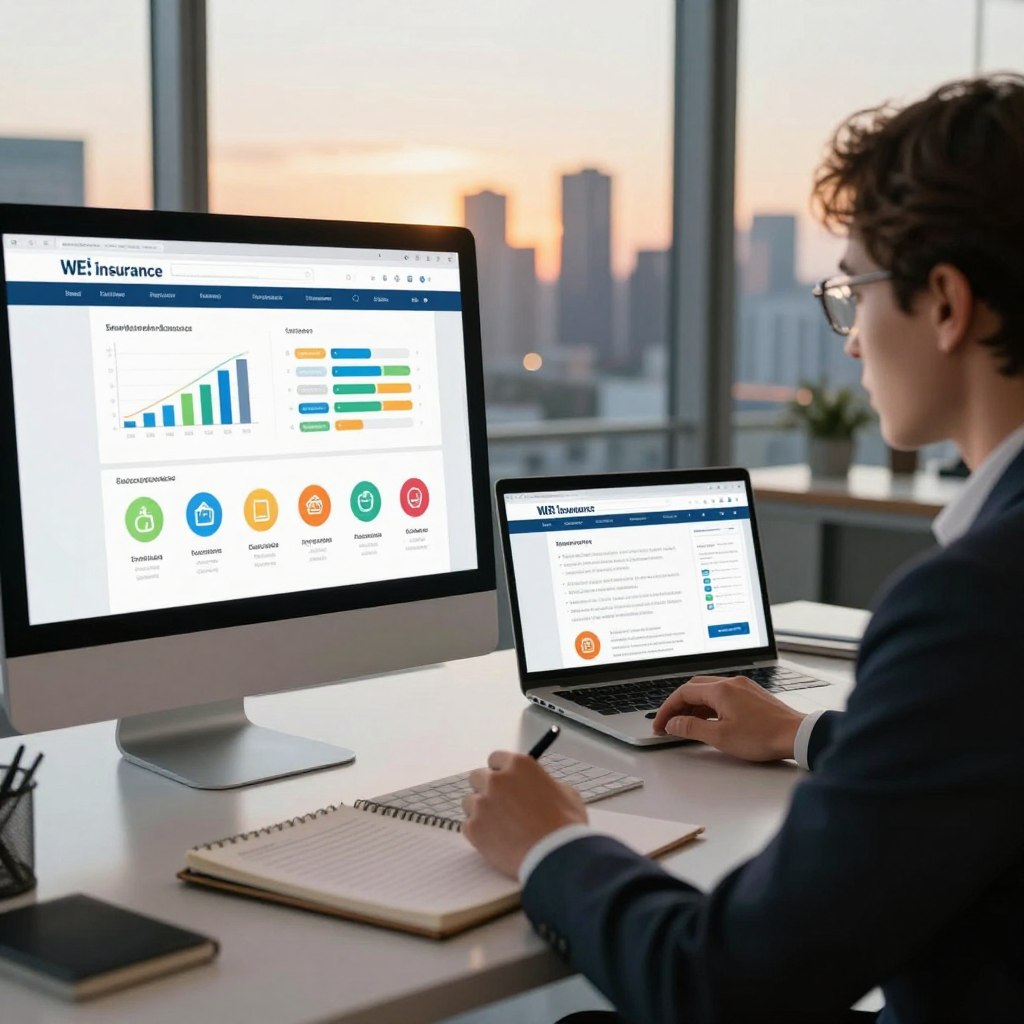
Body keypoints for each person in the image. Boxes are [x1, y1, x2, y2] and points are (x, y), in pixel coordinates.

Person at [461, 74, 1024, 1024]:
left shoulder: (974, 601)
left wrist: (552, 844)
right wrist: (804, 732)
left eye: (854, 293)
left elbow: (723, 985)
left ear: (945, 304)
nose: (848, 343)